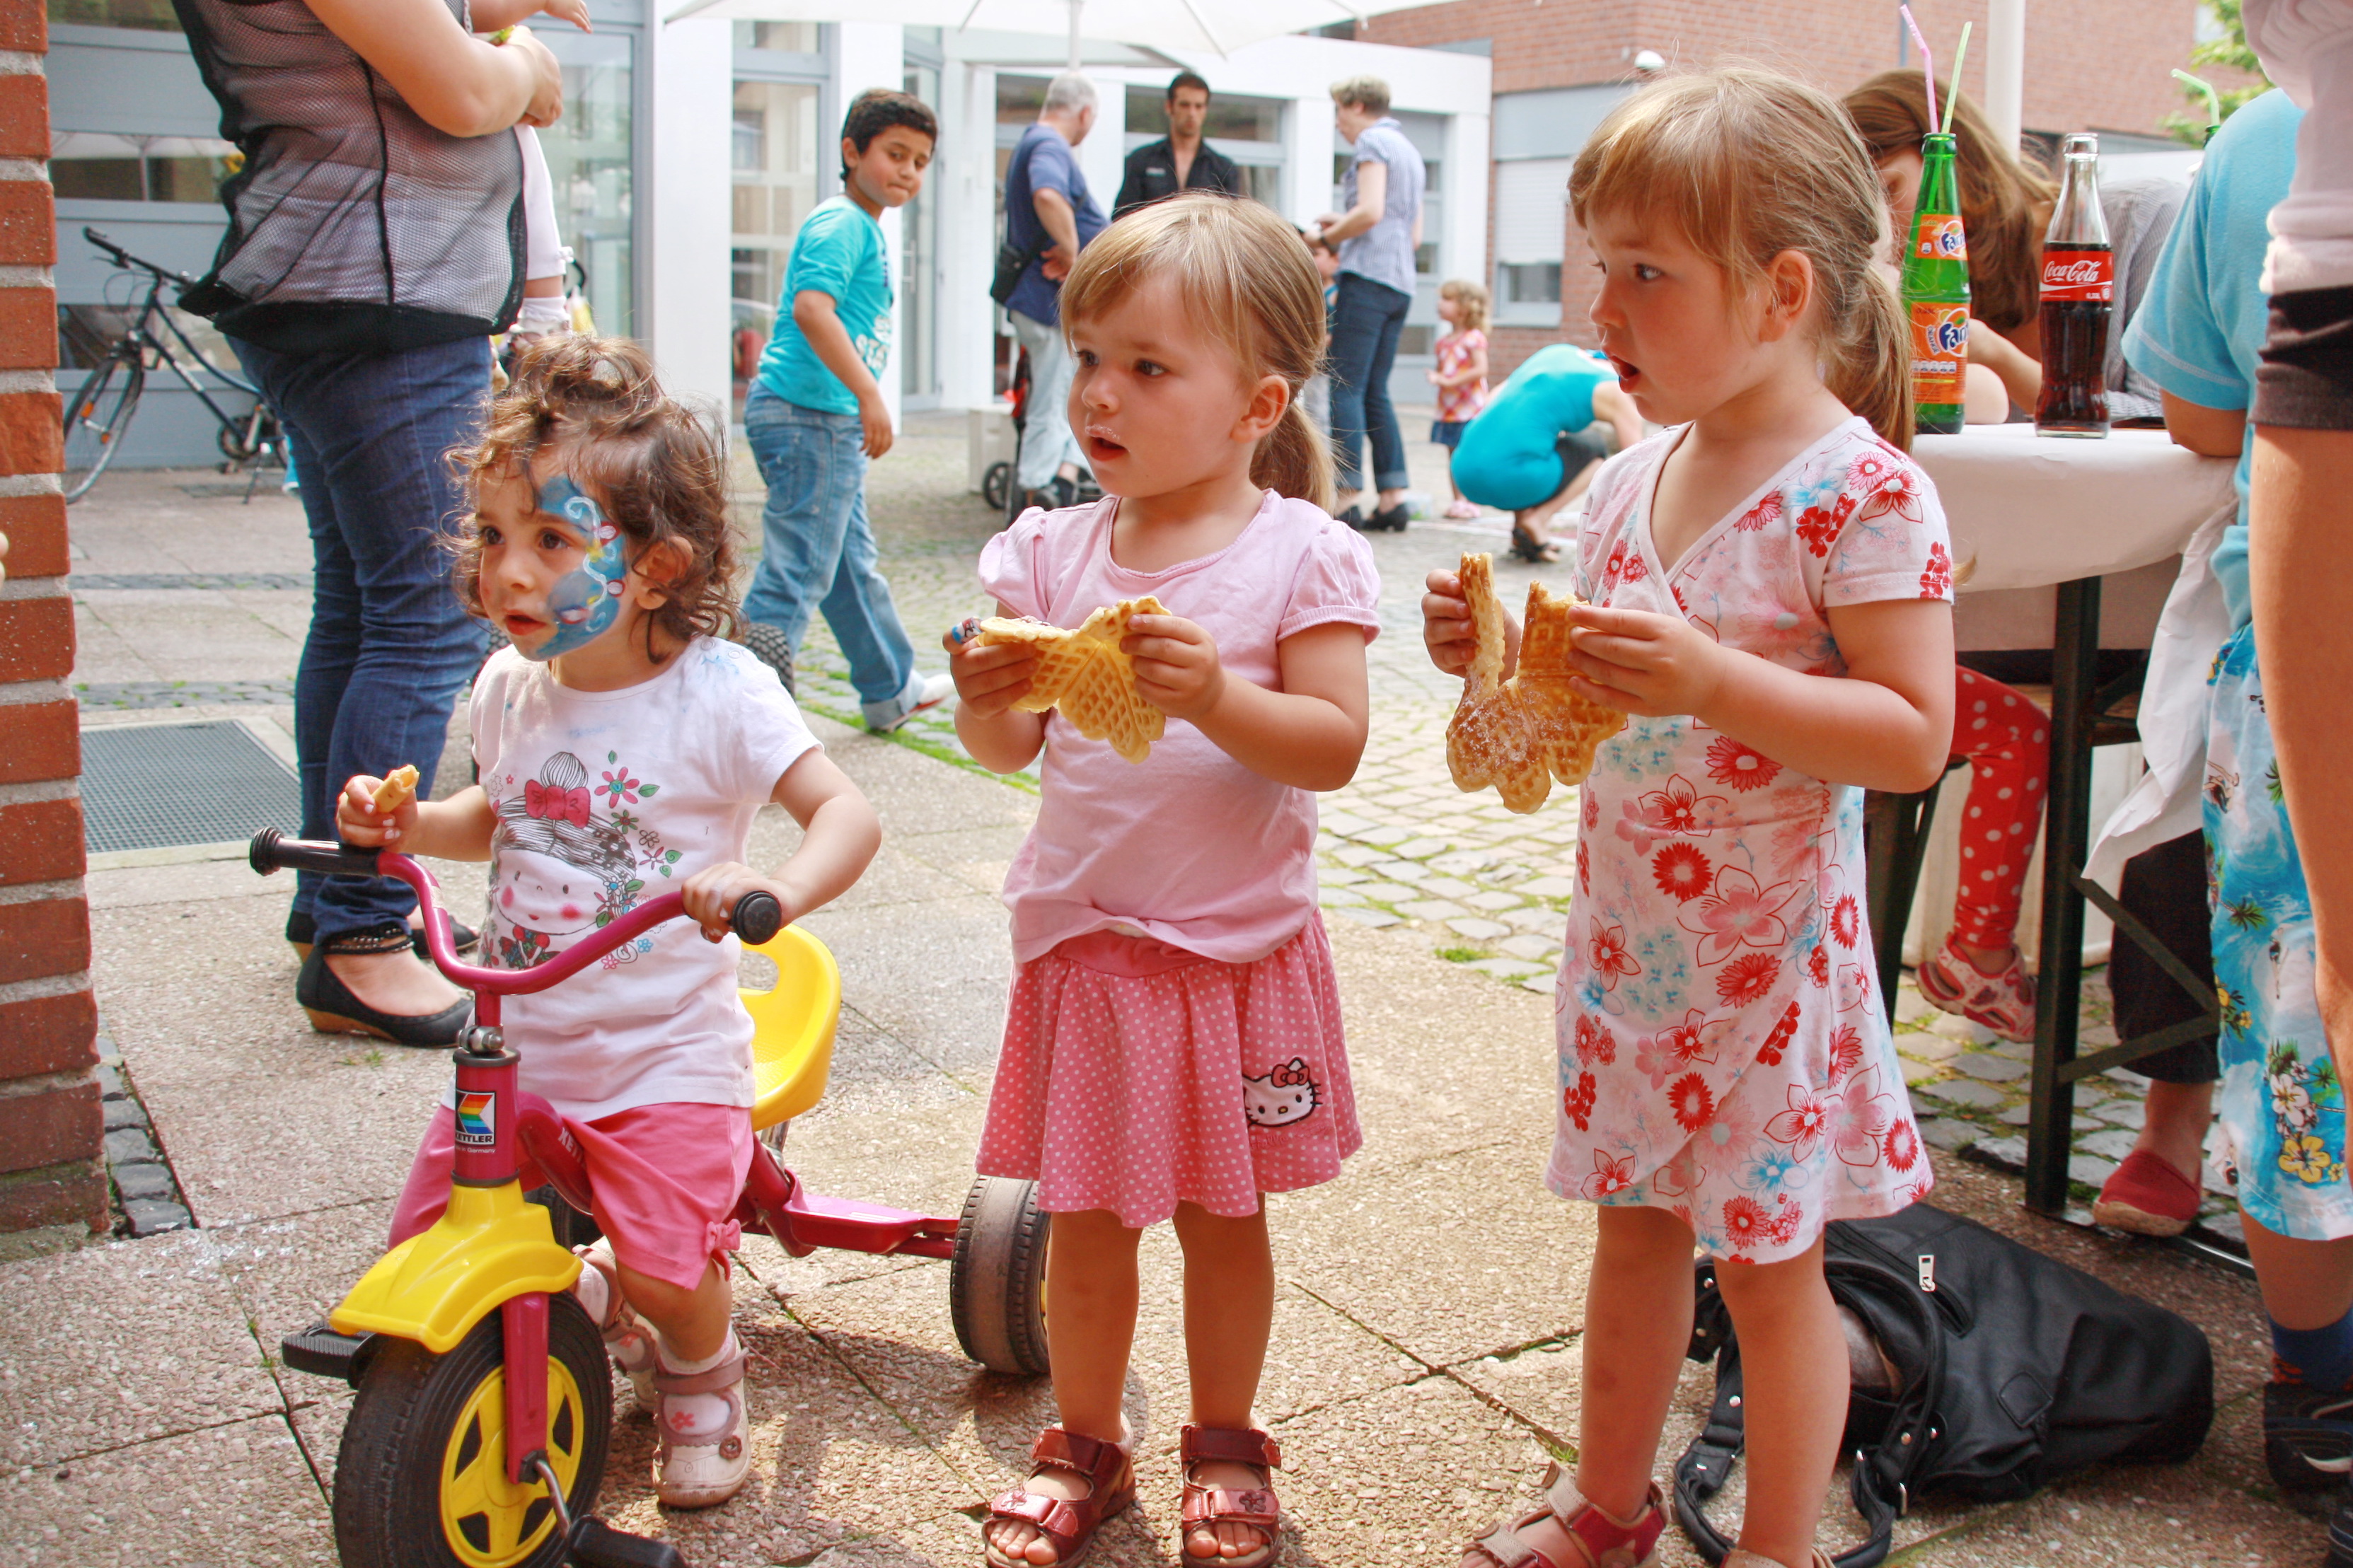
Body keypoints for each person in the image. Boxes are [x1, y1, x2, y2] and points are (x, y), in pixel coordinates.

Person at [1428, 69, 1953, 1568]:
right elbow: (1580, 703)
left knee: (1776, 1277)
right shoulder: (1629, 478)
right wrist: (1491, 661)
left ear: (1783, 289)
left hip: (1771, 977)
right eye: (1602, 264)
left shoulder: (1862, 497)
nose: (1605, 304)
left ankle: (1780, 1544)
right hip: (1630, 952)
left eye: (1646, 271)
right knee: (1633, 1232)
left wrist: (1716, 675)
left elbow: (1912, 736)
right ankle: (1607, 1502)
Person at [336, 339, 883, 1509]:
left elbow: (845, 813)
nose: (506, 571)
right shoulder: (508, 686)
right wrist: (410, 827)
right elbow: (504, 816)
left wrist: (770, 888)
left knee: (666, 1264)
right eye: (490, 536)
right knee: (422, 1230)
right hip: (520, 1050)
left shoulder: (718, 692)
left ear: (653, 566)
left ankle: (701, 1367)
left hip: (660, 1055)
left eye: (550, 539)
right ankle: (501, 1348)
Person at [945, 194, 1377, 1568]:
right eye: (1087, 358)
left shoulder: (1300, 553)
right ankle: (1086, 1438)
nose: (1099, 394)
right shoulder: (1045, 554)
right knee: (1082, 1220)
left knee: (1220, 1215)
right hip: (1085, 944)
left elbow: (1335, 743)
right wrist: (979, 692)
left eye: (1145, 366)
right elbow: (1008, 742)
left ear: (1255, 404)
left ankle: (1227, 1436)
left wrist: (1216, 700)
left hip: (1231, 956)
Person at [176, 0, 562, 1045]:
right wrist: (519, 59)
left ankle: (332, 900)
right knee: (432, 615)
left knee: (359, 608)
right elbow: (464, 91)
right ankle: (364, 939)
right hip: (377, 291)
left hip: (343, 284)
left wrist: (487, 19)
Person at [1846, 71, 2196, 1047]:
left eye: (1888, 191)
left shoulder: (2110, 231)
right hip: (1970, 612)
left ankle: (1965, 956)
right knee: (1963, 723)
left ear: (1947, 155)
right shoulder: (1894, 295)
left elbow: (2153, 425)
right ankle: (1925, 965)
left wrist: (1999, 362)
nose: (1881, 225)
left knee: (2011, 729)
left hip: (2116, 606)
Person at [741, 88, 953, 733]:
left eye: (920, 161)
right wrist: (868, 395)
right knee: (798, 570)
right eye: (895, 154)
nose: (909, 172)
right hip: (813, 417)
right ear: (851, 151)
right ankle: (738, 717)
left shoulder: (860, 225)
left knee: (845, 567)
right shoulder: (843, 223)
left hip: (818, 419)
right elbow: (812, 309)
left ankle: (891, 688)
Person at [1312, 75, 1425, 533]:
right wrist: (1348, 223)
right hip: (1401, 282)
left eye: (1339, 111)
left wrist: (1325, 237)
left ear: (1357, 105)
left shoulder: (1373, 142)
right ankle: (1394, 494)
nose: (1339, 123)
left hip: (1367, 276)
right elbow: (1409, 231)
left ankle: (1347, 493)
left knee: (1346, 384)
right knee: (1377, 389)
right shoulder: (1410, 150)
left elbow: (1372, 210)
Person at [1004, 72, 1109, 515]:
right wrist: (1076, 258)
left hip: (1042, 301)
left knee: (1065, 395)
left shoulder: (1033, 141)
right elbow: (1048, 194)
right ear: (1084, 113)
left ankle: (1062, 480)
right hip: (1047, 300)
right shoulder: (1050, 146)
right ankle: (1034, 499)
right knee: (1052, 403)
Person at [1450, 342, 1646, 563]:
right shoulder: (1615, 389)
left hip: (1462, 470)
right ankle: (1538, 520)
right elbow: (1637, 462)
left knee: (1532, 444)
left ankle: (1521, 534)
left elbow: (1491, 401)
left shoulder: (1556, 352)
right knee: (1593, 447)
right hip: (1509, 480)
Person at [1113, 71, 1242, 219]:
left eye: (1198, 106)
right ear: (1169, 107)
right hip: (1154, 239)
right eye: (1185, 105)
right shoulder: (1142, 160)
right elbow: (1122, 217)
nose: (1192, 113)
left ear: (1205, 111)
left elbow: (1231, 223)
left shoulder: (1223, 168)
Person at [1429, 279, 1491, 519]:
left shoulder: (1473, 339)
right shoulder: (1442, 342)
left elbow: (1480, 369)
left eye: (1447, 299)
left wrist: (1447, 381)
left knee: (1468, 454)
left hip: (1470, 409)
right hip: (1449, 410)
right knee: (1452, 455)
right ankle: (1458, 501)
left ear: (1465, 306)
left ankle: (1472, 500)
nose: (1440, 303)